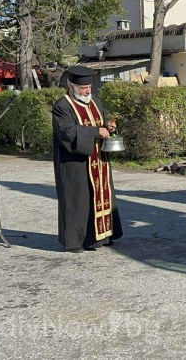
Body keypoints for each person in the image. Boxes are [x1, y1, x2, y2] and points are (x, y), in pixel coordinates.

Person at [53, 65, 123, 253]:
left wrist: (109, 125)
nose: (87, 91)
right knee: (79, 200)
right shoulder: (62, 106)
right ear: (72, 87)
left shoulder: (95, 102)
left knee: (101, 196)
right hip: (75, 162)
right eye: (83, 88)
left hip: (99, 160)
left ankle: (102, 236)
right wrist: (95, 132)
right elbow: (67, 133)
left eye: (89, 87)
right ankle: (75, 241)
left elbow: (104, 119)